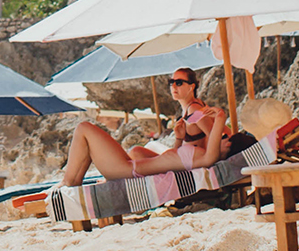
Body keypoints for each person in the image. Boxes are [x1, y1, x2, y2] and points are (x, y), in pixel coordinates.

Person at [61, 69, 228, 186]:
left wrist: (221, 121)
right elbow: (205, 138)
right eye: (171, 83)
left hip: (128, 170)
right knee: (134, 150)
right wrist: (179, 137)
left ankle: (68, 182)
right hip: (129, 168)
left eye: (179, 83)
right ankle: (72, 181)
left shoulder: (195, 115)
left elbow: (212, 134)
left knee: (84, 128)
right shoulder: (195, 150)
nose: (174, 87)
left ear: (192, 86)